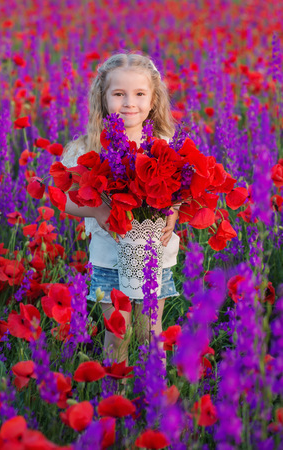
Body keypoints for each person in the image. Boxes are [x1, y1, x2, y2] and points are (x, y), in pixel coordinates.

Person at [61, 52, 180, 365]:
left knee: (149, 331)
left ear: (153, 100)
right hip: (108, 260)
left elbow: (177, 192)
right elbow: (66, 199)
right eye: (119, 94)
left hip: (156, 258)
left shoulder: (162, 145)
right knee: (118, 331)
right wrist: (99, 211)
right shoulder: (87, 148)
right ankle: (117, 398)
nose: (129, 103)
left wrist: (174, 213)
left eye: (139, 94)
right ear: (103, 99)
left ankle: (155, 400)